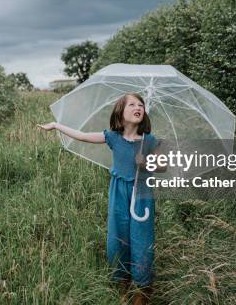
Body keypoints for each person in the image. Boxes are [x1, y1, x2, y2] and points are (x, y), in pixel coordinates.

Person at [38, 93, 161, 304]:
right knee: (118, 235)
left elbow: (162, 166)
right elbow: (83, 136)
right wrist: (57, 125)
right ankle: (122, 284)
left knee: (141, 239)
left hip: (142, 195)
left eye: (141, 104)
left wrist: (147, 163)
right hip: (119, 192)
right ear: (120, 112)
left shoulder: (149, 141)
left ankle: (141, 289)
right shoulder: (113, 137)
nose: (138, 107)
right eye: (132, 104)